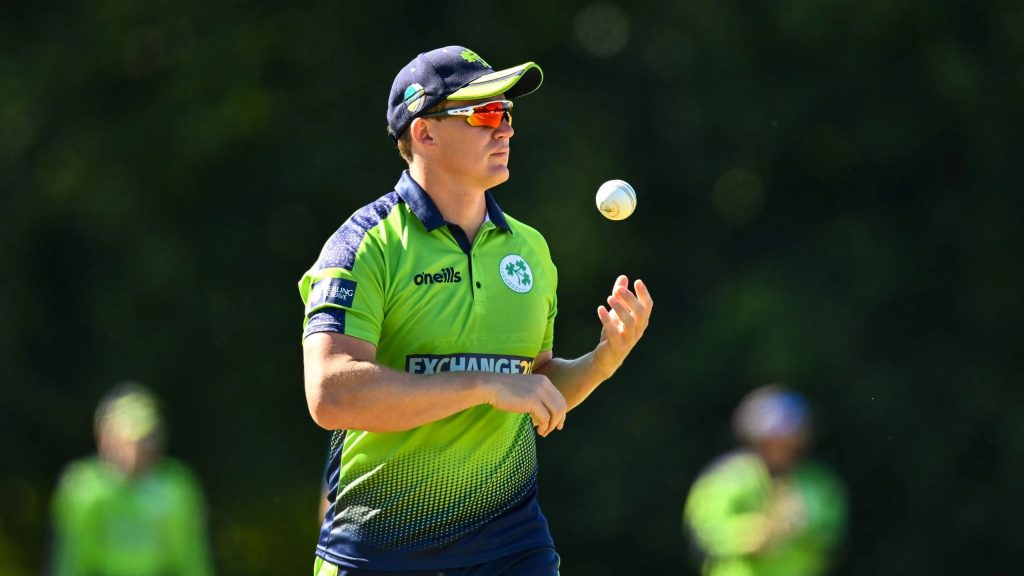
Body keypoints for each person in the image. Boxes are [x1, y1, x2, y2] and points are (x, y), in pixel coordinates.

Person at [297, 46, 653, 575]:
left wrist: (603, 360)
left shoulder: (531, 250)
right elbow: (331, 393)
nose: (505, 129)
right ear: (425, 133)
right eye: (484, 113)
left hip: (510, 543)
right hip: (379, 548)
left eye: (506, 112)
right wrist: (482, 384)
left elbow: (533, 384)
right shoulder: (365, 245)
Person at [49, 383, 214, 576]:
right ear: (105, 438)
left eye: (147, 439)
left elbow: (192, 561)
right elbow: (70, 563)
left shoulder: (178, 487)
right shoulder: (83, 489)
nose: (138, 450)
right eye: (129, 441)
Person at [683, 385, 847, 576]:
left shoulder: (819, 483)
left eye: (788, 441)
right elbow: (704, 528)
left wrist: (797, 525)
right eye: (772, 440)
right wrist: (750, 534)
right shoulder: (727, 478)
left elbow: (830, 533)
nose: (780, 448)